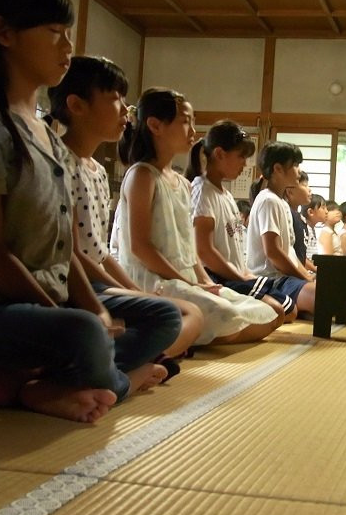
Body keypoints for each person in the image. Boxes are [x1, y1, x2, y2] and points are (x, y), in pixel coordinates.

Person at [0, 0, 174, 423]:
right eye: (54, 31)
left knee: (162, 316)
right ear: (4, 33)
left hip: (49, 301)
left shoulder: (48, 135)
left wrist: (97, 307)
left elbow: (67, 252)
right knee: (81, 332)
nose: (68, 46)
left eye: (69, 32)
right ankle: (118, 382)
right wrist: (69, 314)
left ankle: (76, 379)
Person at [47, 55, 205, 365]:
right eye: (114, 99)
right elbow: (74, 253)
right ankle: (115, 365)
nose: (125, 109)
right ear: (77, 105)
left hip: (98, 279)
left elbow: (101, 252)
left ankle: (125, 362)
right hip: (73, 283)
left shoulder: (96, 169)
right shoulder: (59, 162)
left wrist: (131, 290)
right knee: (175, 315)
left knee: (188, 315)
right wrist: (124, 291)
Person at [115, 88, 281, 344]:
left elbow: (189, 247)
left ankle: (188, 334)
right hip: (154, 280)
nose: (193, 131)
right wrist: (188, 283)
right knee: (229, 315)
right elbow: (140, 247)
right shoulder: (142, 175)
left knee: (269, 313)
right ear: (155, 125)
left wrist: (203, 282)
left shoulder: (182, 183)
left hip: (185, 278)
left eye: (193, 122)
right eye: (185, 121)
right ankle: (177, 334)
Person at [186, 119, 296, 321]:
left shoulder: (226, 195)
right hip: (218, 276)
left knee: (288, 309)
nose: (245, 164)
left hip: (236, 273)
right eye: (241, 157)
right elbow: (204, 251)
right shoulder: (202, 191)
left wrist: (246, 274)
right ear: (219, 154)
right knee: (278, 312)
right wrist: (239, 277)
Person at [246, 142, 316, 316]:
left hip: (286, 278)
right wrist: (305, 278)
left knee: (334, 291)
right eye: (294, 165)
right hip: (272, 280)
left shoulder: (280, 202)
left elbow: (289, 253)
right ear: (277, 169)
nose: (298, 171)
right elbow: (273, 252)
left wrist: (307, 276)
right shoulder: (268, 200)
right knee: (328, 297)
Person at [284, 170, 312, 270]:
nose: (309, 190)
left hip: (299, 272)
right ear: (289, 191)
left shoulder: (299, 217)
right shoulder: (288, 214)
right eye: (305, 185)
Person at [301, 193, 327, 272]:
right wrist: (317, 270)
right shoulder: (303, 228)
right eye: (323, 208)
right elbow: (300, 257)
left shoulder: (311, 228)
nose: (326, 211)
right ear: (311, 212)